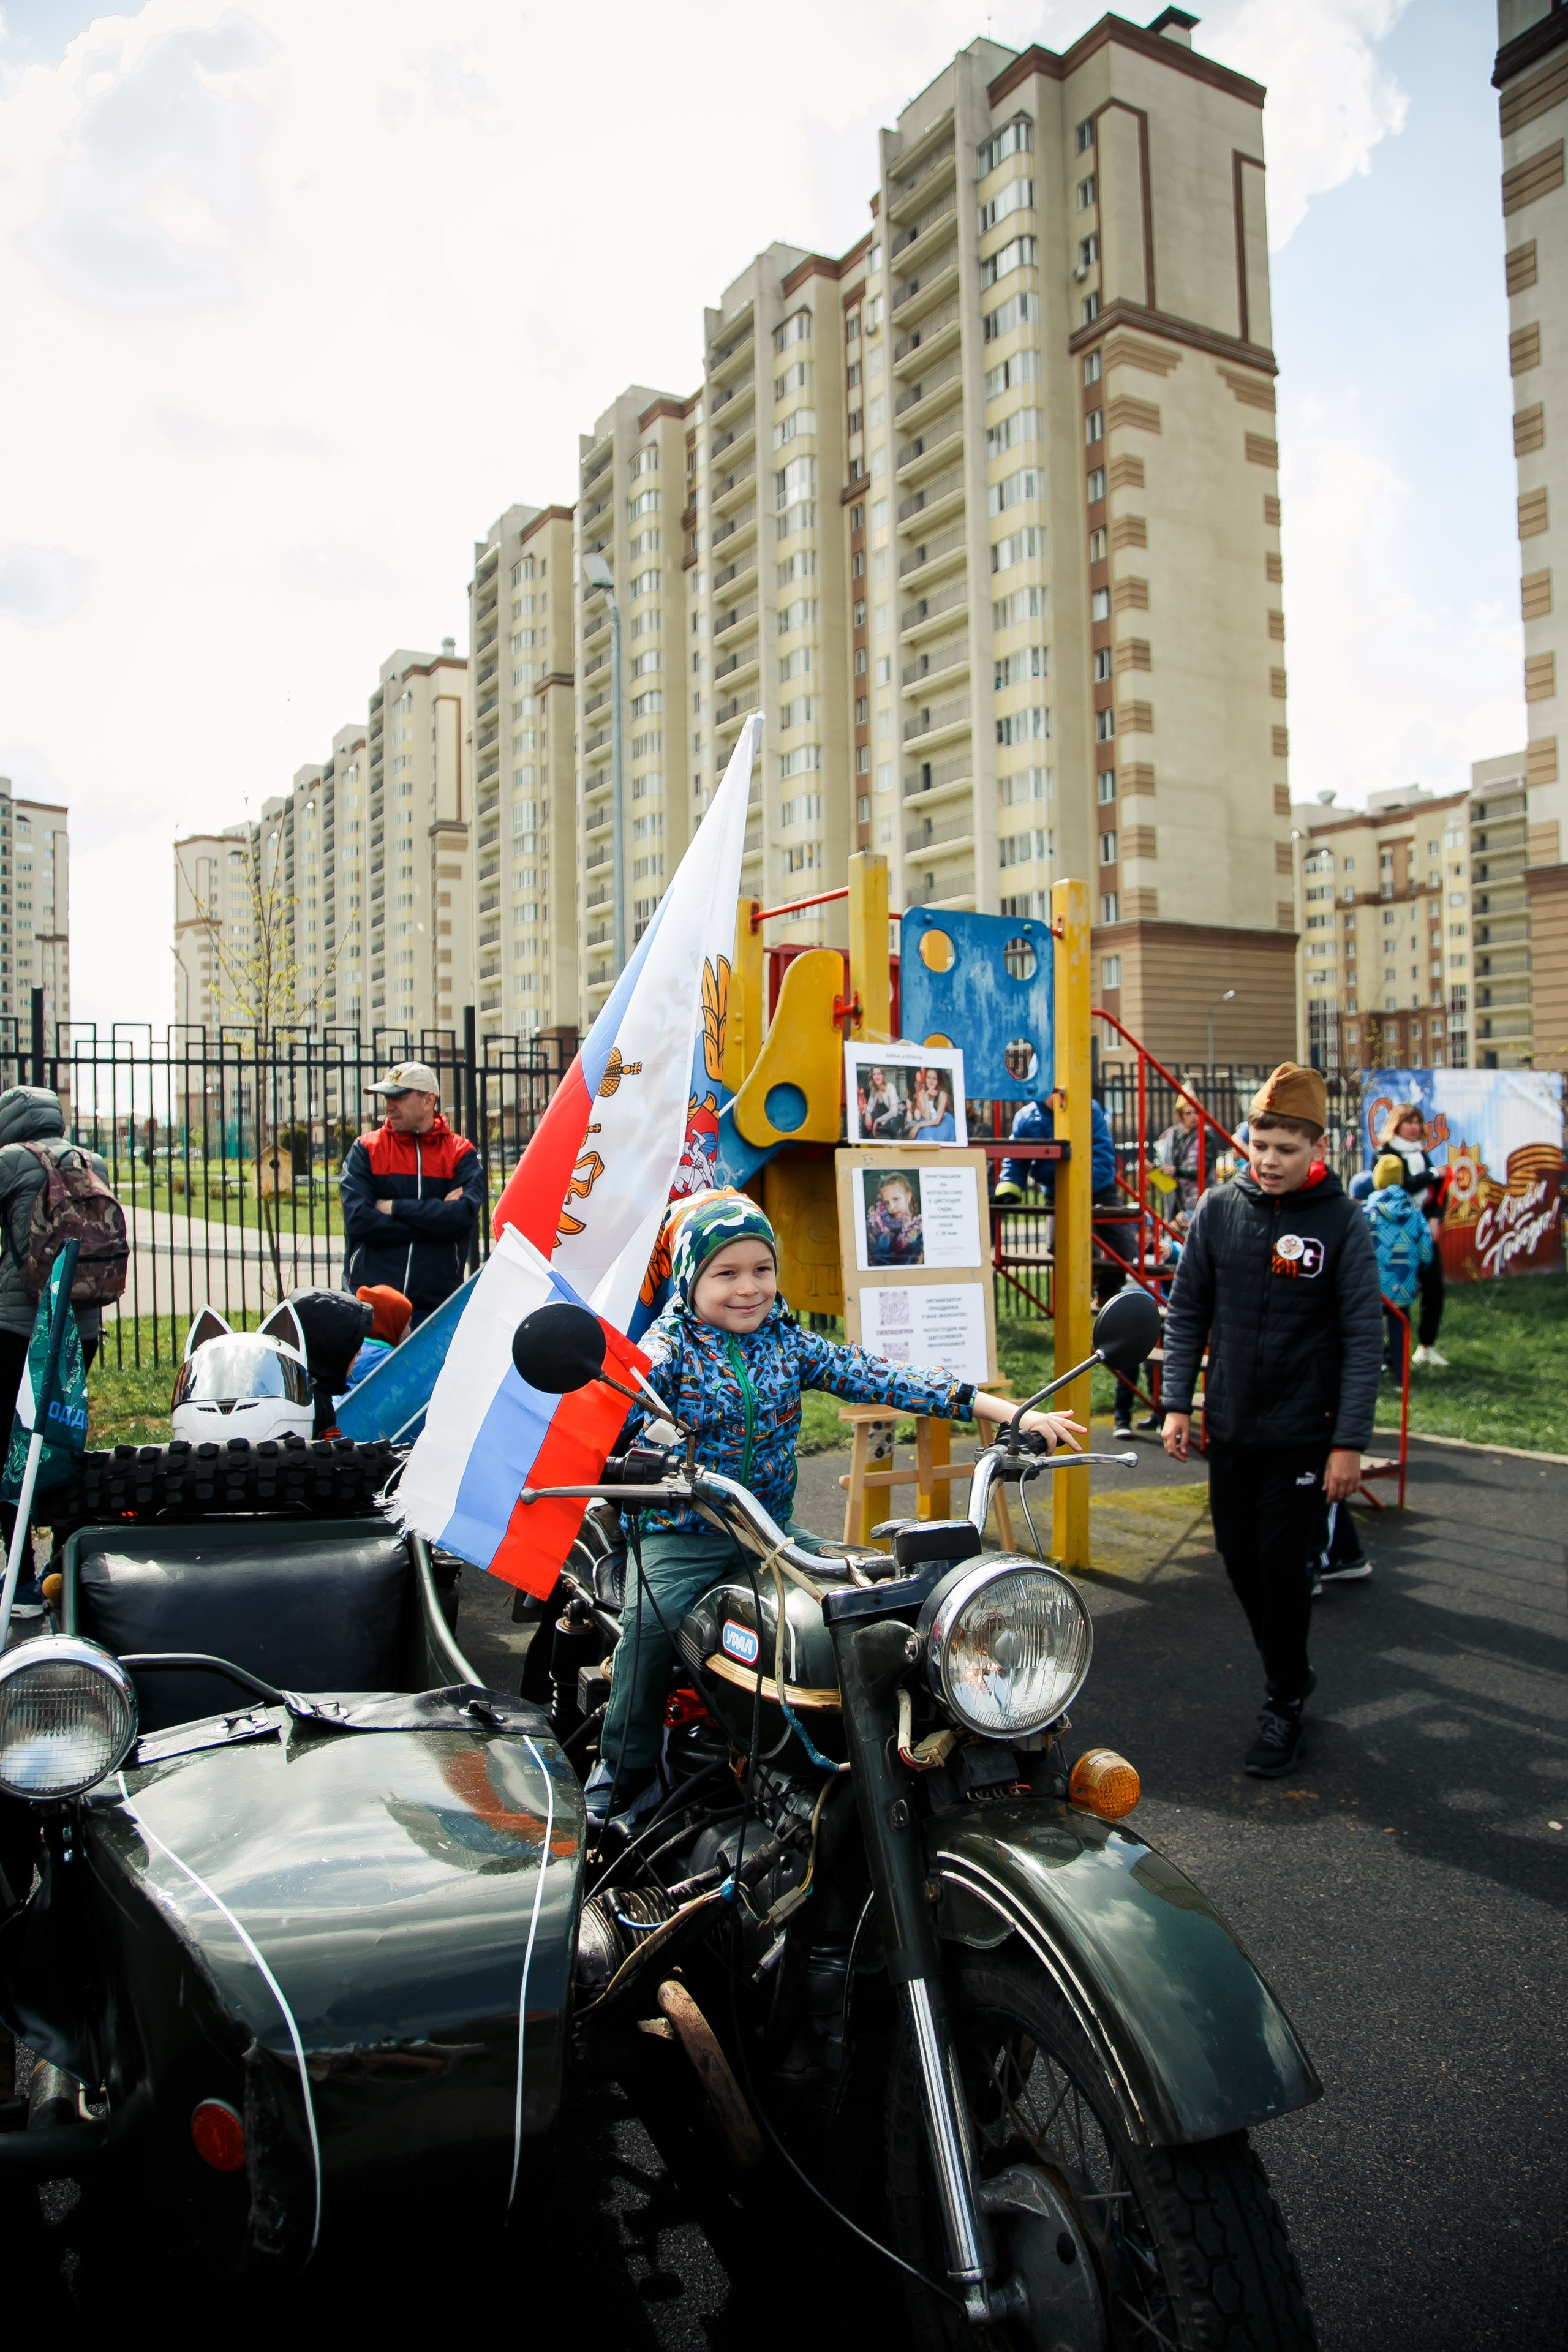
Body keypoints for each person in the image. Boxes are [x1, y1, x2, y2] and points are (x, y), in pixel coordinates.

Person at [587, 1191, 1085, 1825]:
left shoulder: (786, 1344)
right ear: (690, 1278)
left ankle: (872, 1753)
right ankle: (624, 1775)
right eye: (726, 1273)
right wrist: (624, 1457)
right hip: (681, 1536)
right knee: (647, 1634)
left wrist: (1009, 1413)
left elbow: (887, 1378)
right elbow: (606, 1419)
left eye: (761, 1270)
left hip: (770, 1533)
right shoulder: (666, 1351)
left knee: (875, 1595)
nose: (748, 1289)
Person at [1159, 1063, 1382, 1779]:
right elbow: (1188, 1307)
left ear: (1316, 1148)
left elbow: (1361, 1336)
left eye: (1286, 1148)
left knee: (1284, 1572)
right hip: (1229, 1427)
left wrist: (1347, 1443)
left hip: (1302, 1433)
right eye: (1260, 1144)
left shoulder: (1342, 1223)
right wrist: (1174, 1402)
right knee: (1239, 1559)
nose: (1269, 1160)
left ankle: (1284, 1700)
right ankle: (1291, 1673)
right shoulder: (1221, 1210)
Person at [0, 1087, 117, 1616]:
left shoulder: (9, 1161)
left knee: (14, 1446)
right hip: (82, 1329)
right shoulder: (90, 1160)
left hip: (19, 1326)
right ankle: (64, 1564)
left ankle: (20, 1576)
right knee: (64, 1437)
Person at [339, 1063, 485, 1328]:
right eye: (387, 1098)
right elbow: (359, 1221)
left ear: (429, 1100)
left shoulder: (460, 1152)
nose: (389, 1106)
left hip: (436, 1307)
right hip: (370, 1304)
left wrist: (394, 1207)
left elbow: (462, 1219)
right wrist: (436, 1223)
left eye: (399, 1097)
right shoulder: (366, 1149)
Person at [1376, 1102, 1450, 1366]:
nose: (1415, 1127)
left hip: (1422, 1231)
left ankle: (1426, 1347)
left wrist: (1435, 1217)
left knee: (1435, 1288)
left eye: (1418, 1122)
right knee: (1392, 1296)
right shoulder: (1384, 1154)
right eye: (1409, 1122)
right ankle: (1388, 1354)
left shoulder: (1421, 1152)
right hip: (1394, 1236)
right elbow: (1398, 1188)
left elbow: (1439, 1188)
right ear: (1397, 1125)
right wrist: (1432, 1173)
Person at [1363, 1153, 1434, 1382]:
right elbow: (1426, 1249)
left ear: (1377, 1180)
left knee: (1370, 1329)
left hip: (1371, 1283)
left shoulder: (1366, 1214)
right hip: (1402, 1280)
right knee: (1400, 1325)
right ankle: (1402, 1378)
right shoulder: (1414, 1215)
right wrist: (1421, 1265)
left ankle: (1370, 1374)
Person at [1154, 1096, 1205, 1216]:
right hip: (1176, 1197)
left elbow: (1203, 1172)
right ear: (1179, 1116)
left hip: (1196, 1199)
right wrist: (1154, 1169)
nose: (1194, 1117)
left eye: (1196, 1112)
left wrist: (1176, 1172)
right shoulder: (1170, 1137)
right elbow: (1167, 1165)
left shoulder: (1206, 1136)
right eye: (1188, 1113)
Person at [865, 1172, 922, 1267]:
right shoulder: (878, 1230)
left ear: (908, 1197)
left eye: (896, 1199)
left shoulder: (920, 1228)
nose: (891, 1207)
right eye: (887, 1203)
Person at [908, 1068, 956, 1142]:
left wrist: (918, 1126)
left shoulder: (943, 1094)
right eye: (929, 1078)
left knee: (926, 1132)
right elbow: (926, 1117)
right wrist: (927, 1096)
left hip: (943, 1123)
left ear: (938, 1081)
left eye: (934, 1079)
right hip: (929, 1122)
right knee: (925, 1131)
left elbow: (937, 1121)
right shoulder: (923, 1093)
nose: (931, 1081)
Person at [861, 1066, 903, 1139]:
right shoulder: (874, 1089)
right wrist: (868, 1113)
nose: (877, 1077)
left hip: (895, 1117)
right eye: (874, 1074)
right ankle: (867, 1142)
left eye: (879, 1074)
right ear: (872, 1077)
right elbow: (870, 1106)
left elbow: (894, 1112)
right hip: (881, 1115)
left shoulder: (890, 1087)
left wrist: (877, 1121)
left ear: (883, 1075)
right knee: (865, 1117)